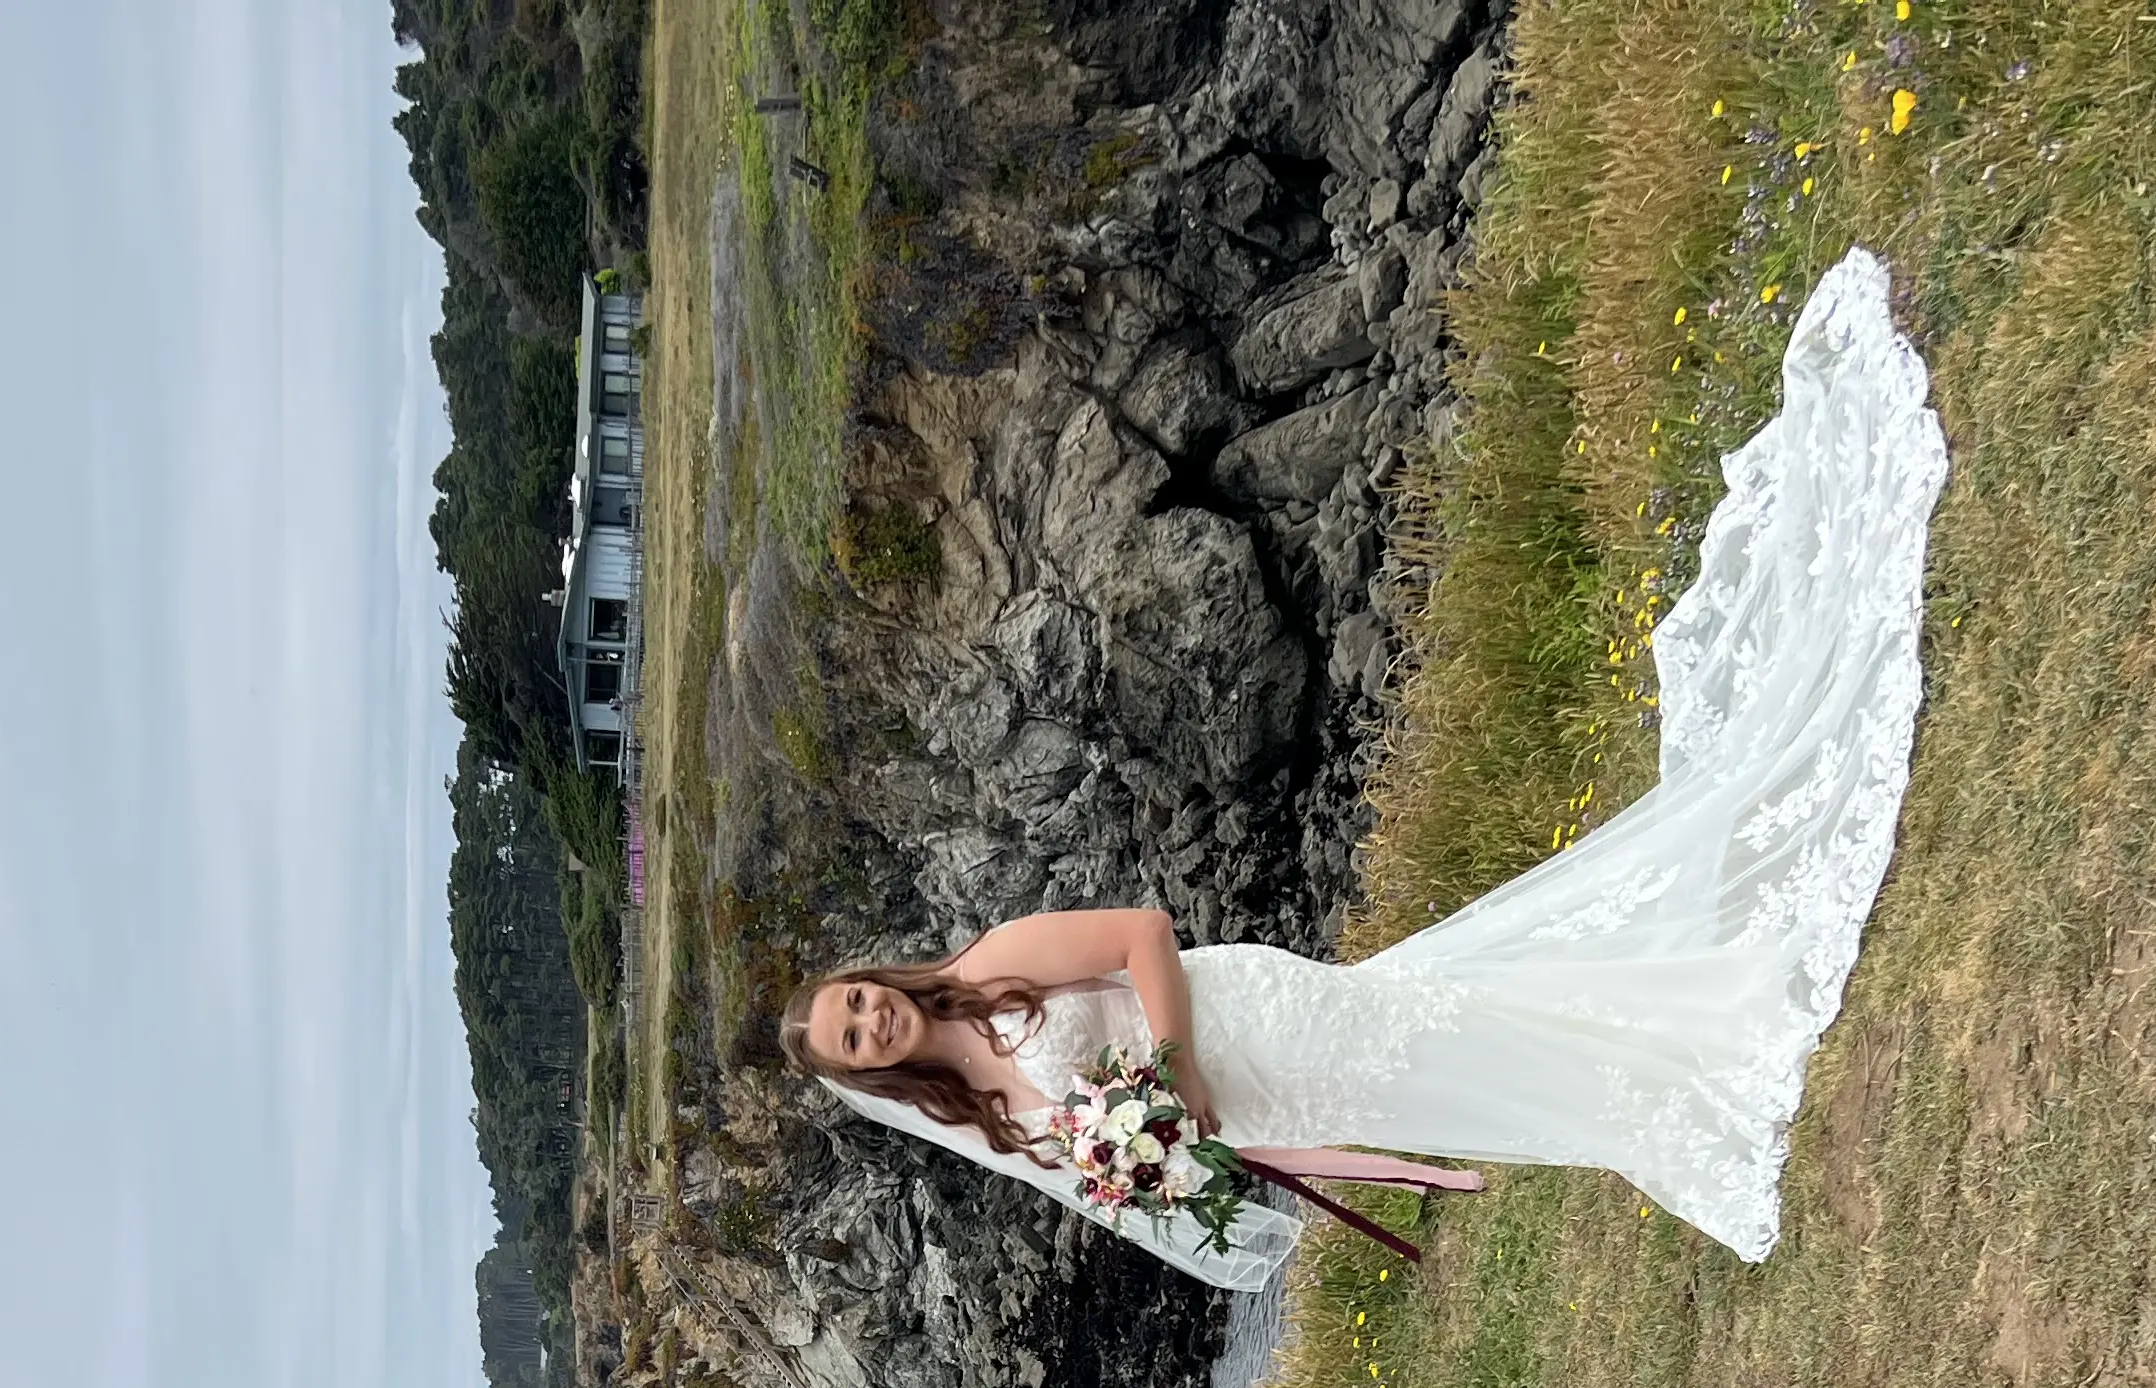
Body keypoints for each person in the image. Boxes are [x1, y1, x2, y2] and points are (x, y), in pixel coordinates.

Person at [781, 249, 1949, 1288]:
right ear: (867, 1076)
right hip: (1253, 1100)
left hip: (1245, 1018)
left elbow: (1143, 933)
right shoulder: (984, 1115)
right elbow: (1114, 1165)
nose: (871, 1021)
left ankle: (1669, 1058)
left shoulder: (993, 970)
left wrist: (1174, 1072)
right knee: (1433, 1075)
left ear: (870, 980)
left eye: (856, 1001)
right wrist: (1171, 1156)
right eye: (854, 1038)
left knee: (1431, 1033)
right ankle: (1621, 1093)